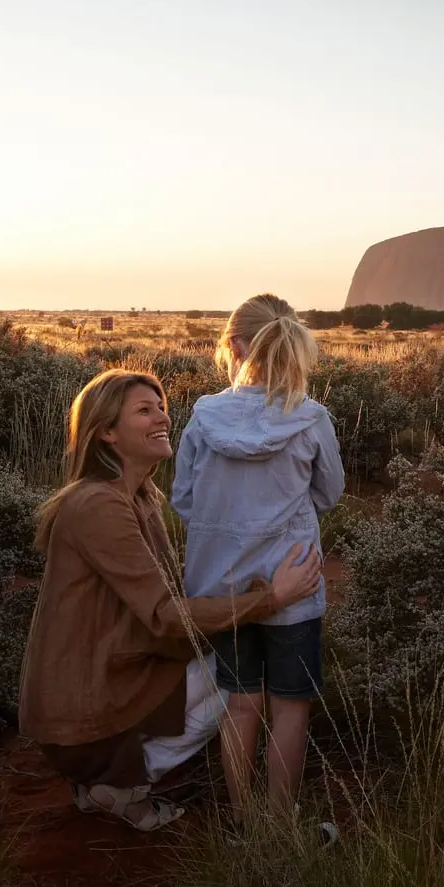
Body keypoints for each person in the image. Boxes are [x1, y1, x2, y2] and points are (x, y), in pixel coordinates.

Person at [18, 370, 321, 832]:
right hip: (85, 707)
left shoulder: (138, 496)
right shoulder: (98, 505)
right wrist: (270, 598)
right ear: (106, 432)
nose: (162, 417)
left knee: (230, 662)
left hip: (102, 683)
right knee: (235, 677)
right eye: (144, 410)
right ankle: (121, 784)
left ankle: (104, 781)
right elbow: (165, 614)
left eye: (161, 406)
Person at [172, 295, 345, 818]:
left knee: (240, 705)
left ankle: (244, 821)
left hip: (222, 591)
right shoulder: (311, 419)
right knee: (290, 708)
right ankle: (278, 826)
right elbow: (330, 493)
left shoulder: (203, 418)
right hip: (294, 583)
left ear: (235, 345)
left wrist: (228, 531)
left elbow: (183, 499)